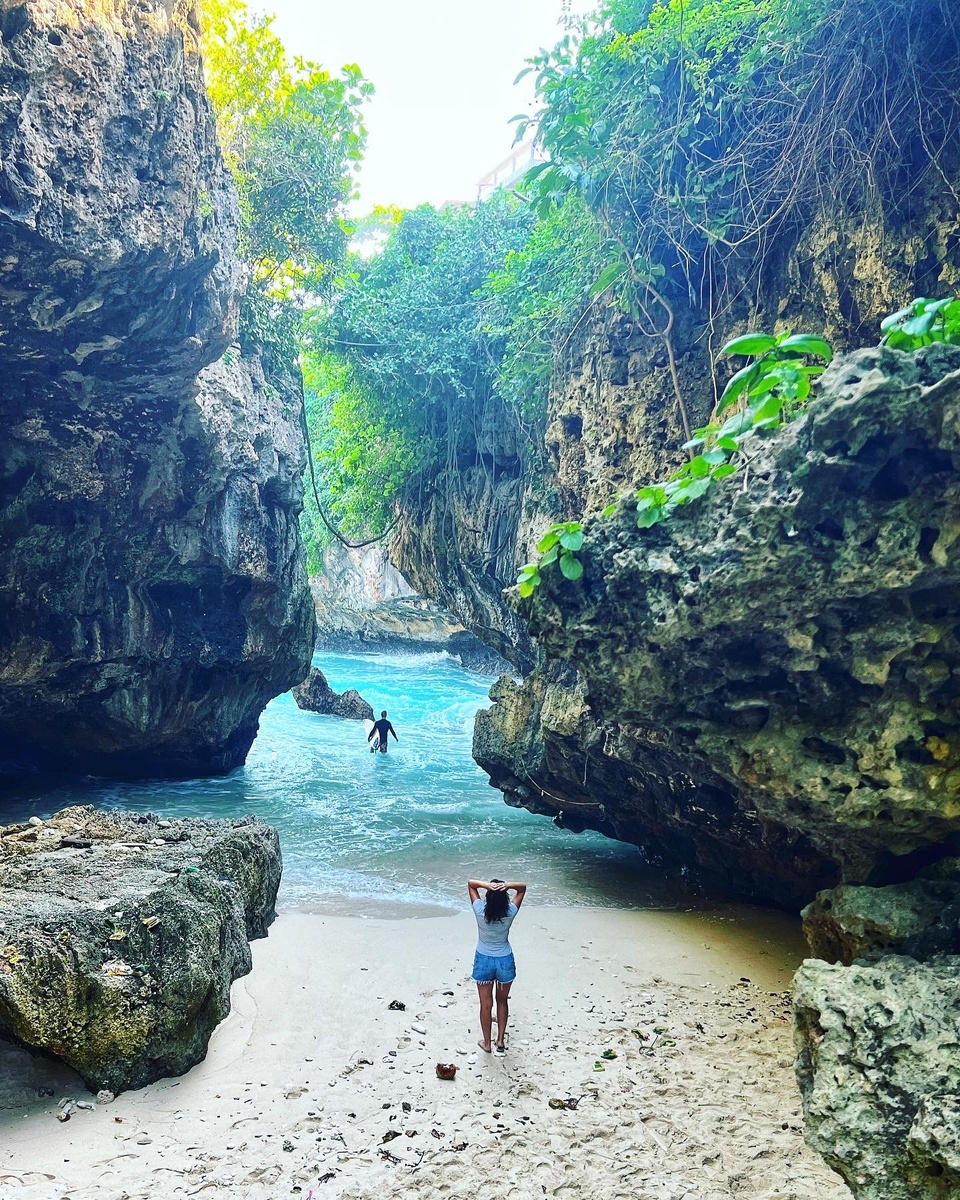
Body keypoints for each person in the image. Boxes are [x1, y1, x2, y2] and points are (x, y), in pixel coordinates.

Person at [467, 877, 526, 1055]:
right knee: (502, 1001)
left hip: (484, 960)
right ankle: (500, 1041)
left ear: (488, 898)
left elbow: (471, 884)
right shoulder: (510, 912)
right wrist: (507, 885)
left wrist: (486, 886)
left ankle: (487, 1043)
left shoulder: (480, 911)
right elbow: (522, 888)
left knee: (485, 1005)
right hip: (504, 960)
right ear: (505, 898)